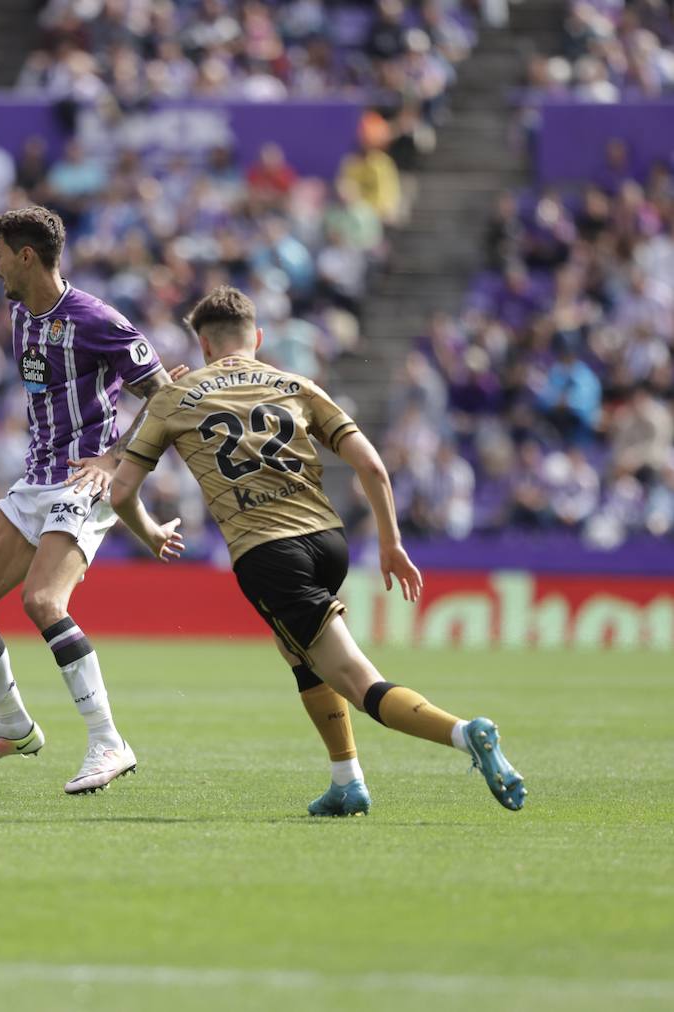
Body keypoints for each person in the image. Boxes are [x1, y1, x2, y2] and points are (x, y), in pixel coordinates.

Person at [109, 286, 526, 814]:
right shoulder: (296, 383)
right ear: (256, 338)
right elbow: (371, 466)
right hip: (329, 541)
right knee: (296, 647)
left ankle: (466, 734)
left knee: (356, 679)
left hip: (266, 551)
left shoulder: (176, 395)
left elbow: (121, 491)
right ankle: (346, 780)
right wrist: (391, 542)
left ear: (206, 347)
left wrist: (148, 532)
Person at [0, 205, 179, 795]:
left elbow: (167, 396)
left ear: (25, 256)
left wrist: (115, 459)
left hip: (82, 482)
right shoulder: (20, 312)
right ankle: (13, 726)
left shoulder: (98, 320)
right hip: (34, 481)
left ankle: (108, 741)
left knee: (43, 601)